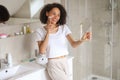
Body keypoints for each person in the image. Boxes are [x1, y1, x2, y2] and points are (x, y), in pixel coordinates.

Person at [35, 3, 90, 80]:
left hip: (64, 61)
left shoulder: (64, 28)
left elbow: (73, 44)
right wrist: (48, 32)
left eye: (58, 15)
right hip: (53, 63)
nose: (56, 17)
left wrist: (82, 40)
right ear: (47, 13)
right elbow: (42, 50)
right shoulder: (40, 31)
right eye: (53, 14)